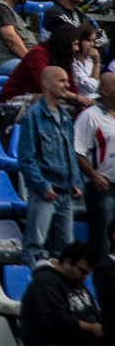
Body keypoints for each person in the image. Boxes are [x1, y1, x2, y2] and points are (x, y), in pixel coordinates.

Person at [18, 66, 84, 268]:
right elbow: (26, 158)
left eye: (67, 80)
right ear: (46, 84)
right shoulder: (33, 116)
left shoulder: (64, 116)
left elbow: (70, 153)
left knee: (65, 251)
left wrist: (77, 181)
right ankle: (30, 290)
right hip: (46, 192)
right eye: (61, 81)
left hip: (66, 192)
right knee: (34, 246)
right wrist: (41, 185)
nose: (67, 85)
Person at [20, 241, 103, 346]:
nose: (86, 277)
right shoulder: (45, 282)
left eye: (88, 273)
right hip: (50, 339)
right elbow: (55, 320)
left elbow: (92, 310)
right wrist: (91, 328)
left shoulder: (75, 281)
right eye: (83, 271)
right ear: (67, 262)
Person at [0, 25, 91, 109]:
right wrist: (76, 97)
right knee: (49, 99)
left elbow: (71, 87)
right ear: (65, 43)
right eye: (75, 44)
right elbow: (44, 86)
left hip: (48, 95)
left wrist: (80, 103)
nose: (77, 49)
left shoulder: (64, 58)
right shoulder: (38, 53)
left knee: (79, 108)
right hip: (14, 99)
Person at [75, 73, 115, 263]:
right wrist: (94, 175)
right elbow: (77, 152)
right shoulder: (90, 116)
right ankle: (102, 278)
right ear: (104, 91)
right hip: (102, 187)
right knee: (103, 237)